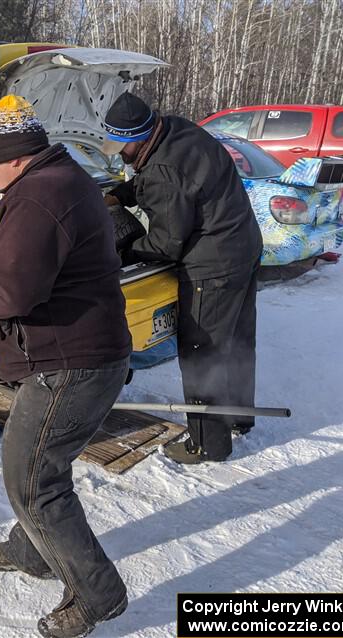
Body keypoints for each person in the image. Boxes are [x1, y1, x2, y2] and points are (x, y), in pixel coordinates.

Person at [0, 94, 132, 638]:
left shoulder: (36, 197)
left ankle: (98, 594)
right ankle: (31, 552)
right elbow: (37, 257)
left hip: (70, 363)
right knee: (35, 465)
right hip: (82, 352)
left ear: (15, 155)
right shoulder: (60, 178)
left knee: (32, 480)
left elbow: (10, 294)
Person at [101, 92, 263, 465]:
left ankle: (208, 443)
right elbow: (159, 175)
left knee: (201, 351)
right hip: (243, 245)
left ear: (140, 138)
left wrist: (122, 250)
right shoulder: (176, 129)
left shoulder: (162, 172)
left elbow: (165, 244)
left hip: (213, 266)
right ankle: (239, 416)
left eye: (122, 147)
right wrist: (120, 195)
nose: (118, 154)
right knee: (237, 340)